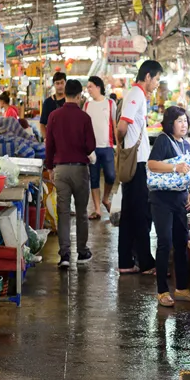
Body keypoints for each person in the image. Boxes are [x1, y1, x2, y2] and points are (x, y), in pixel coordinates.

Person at [147, 107, 190, 307]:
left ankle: (182, 288)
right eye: (179, 121)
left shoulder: (185, 145)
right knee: (164, 242)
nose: (183, 124)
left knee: (180, 242)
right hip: (161, 200)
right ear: (170, 123)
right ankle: (162, 291)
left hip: (180, 199)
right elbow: (151, 164)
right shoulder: (163, 140)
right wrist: (174, 167)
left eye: (185, 121)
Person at [117, 60, 162, 275]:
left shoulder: (137, 95)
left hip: (137, 160)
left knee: (129, 213)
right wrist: (125, 147)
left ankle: (126, 261)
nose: (157, 84)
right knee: (141, 213)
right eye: (156, 79)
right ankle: (146, 262)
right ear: (147, 77)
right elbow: (122, 126)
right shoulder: (135, 95)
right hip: (138, 162)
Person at [45, 79, 96, 268]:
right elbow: (91, 146)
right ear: (79, 95)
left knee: (63, 212)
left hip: (61, 170)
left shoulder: (53, 116)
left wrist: (50, 167)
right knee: (82, 212)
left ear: (64, 93)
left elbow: (49, 145)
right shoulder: (84, 118)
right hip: (80, 169)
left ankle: (64, 256)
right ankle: (82, 252)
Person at [83, 76, 116, 219]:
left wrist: (118, 145)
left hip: (107, 146)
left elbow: (114, 124)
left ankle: (106, 198)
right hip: (92, 148)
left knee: (111, 175)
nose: (88, 89)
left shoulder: (110, 103)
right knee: (94, 178)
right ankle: (97, 209)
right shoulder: (87, 105)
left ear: (98, 87)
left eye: (90, 86)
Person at [40, 71, 67, 139]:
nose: (60, 86)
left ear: (65, 83)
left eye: (62, 83)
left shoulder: (70, 101)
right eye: (57, 83)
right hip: (52, 140)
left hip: (68, 140)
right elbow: (42, 123)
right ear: (54, 85)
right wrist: (46, 138)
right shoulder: (47, 102)